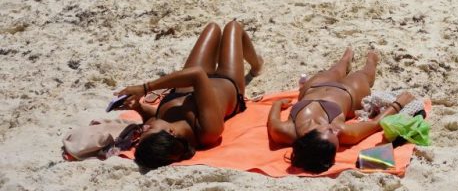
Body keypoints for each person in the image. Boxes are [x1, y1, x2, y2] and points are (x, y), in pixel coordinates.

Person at [115, 20, 263, 168]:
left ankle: (221, 56)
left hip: (192, 82)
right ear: (171, 132)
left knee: (213, 28)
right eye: (149, 130)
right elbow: (197, 75)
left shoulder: (161, 124)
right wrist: (146, 88)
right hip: (226, 81)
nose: (144, 128)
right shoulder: (207, 131)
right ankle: (256, 65)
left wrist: (138, 108)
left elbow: (151, 117)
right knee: (233, 27)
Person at [268, 48, 416, 173]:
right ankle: (372, 59)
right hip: (348, 93)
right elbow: (374, 124)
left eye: (330, 132)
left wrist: (278, 104)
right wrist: (398, 104)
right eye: (337, 139)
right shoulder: (344, 133)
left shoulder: (284, 131)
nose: (336, 132)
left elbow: (273, 120)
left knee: (336, 68)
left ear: (310, 135)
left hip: (314, 86)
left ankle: (346, 58)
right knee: (363, 75)